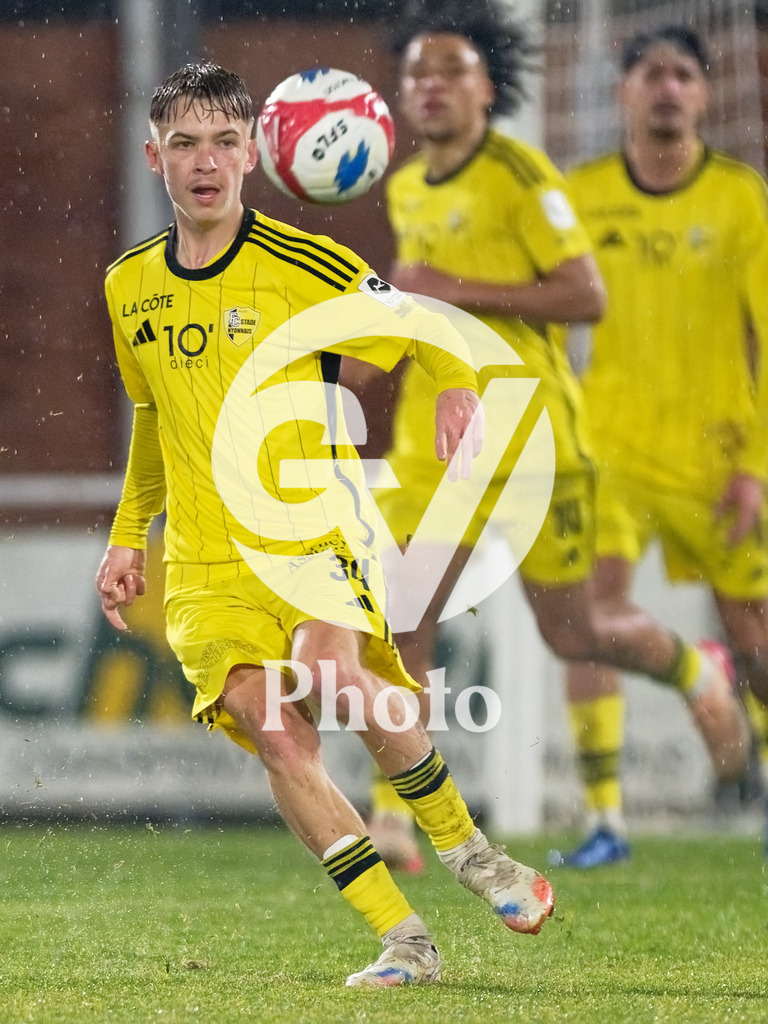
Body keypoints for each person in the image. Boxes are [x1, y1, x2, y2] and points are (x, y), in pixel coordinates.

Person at [95, 61, 557, 990]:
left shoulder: (308, 266)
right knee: (274, 733)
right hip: (204, 561)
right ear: (154, 157)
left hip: (312, 529)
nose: (205, 161)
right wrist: (125, 533)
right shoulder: (127, 287)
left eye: (225, 141)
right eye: (184, 142)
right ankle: (404, 940)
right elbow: (151, 419)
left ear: (255, 155)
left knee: (331, 674)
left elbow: (432, 326)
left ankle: (471, 853)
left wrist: (459, 390)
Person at [341, 1, 751, 871]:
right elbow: (420, 305)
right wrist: (354, 376)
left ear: (488, 86)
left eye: (451, 70)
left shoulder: (522, 174)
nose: (432, 87)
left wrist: (451, 286)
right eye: (418, 74)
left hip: (536, 441)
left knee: (575, 634)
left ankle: (692, 669)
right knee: (402, 615)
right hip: (435, 438)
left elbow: (584, 297)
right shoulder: (407, 185)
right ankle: (394, 817)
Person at [556, 24, 768, 868]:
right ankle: (605, 817)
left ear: (707, 95)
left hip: (718, 453)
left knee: (752, 632)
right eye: (653, 74)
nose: (669, 88)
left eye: (685, 74)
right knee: (587, 622)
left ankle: (751, 765)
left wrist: (756, 463)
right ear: (625, 93)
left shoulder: (740, 197)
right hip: (609, 448)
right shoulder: (581, 193)